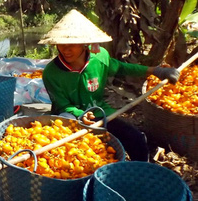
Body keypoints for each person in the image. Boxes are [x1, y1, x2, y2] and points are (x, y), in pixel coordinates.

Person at [39, 9, 179, 161]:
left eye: (72, 43)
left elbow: (122, 68)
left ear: (85, 43)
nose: (66, 49)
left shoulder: (100, 58)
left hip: (100, 112)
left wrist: (155, 71)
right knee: (67, 150)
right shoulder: (51, 73)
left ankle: (138, 171)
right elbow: (62, 105)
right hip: (70, 116)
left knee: (136, 139)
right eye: (61, 44)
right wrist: (80, 114)